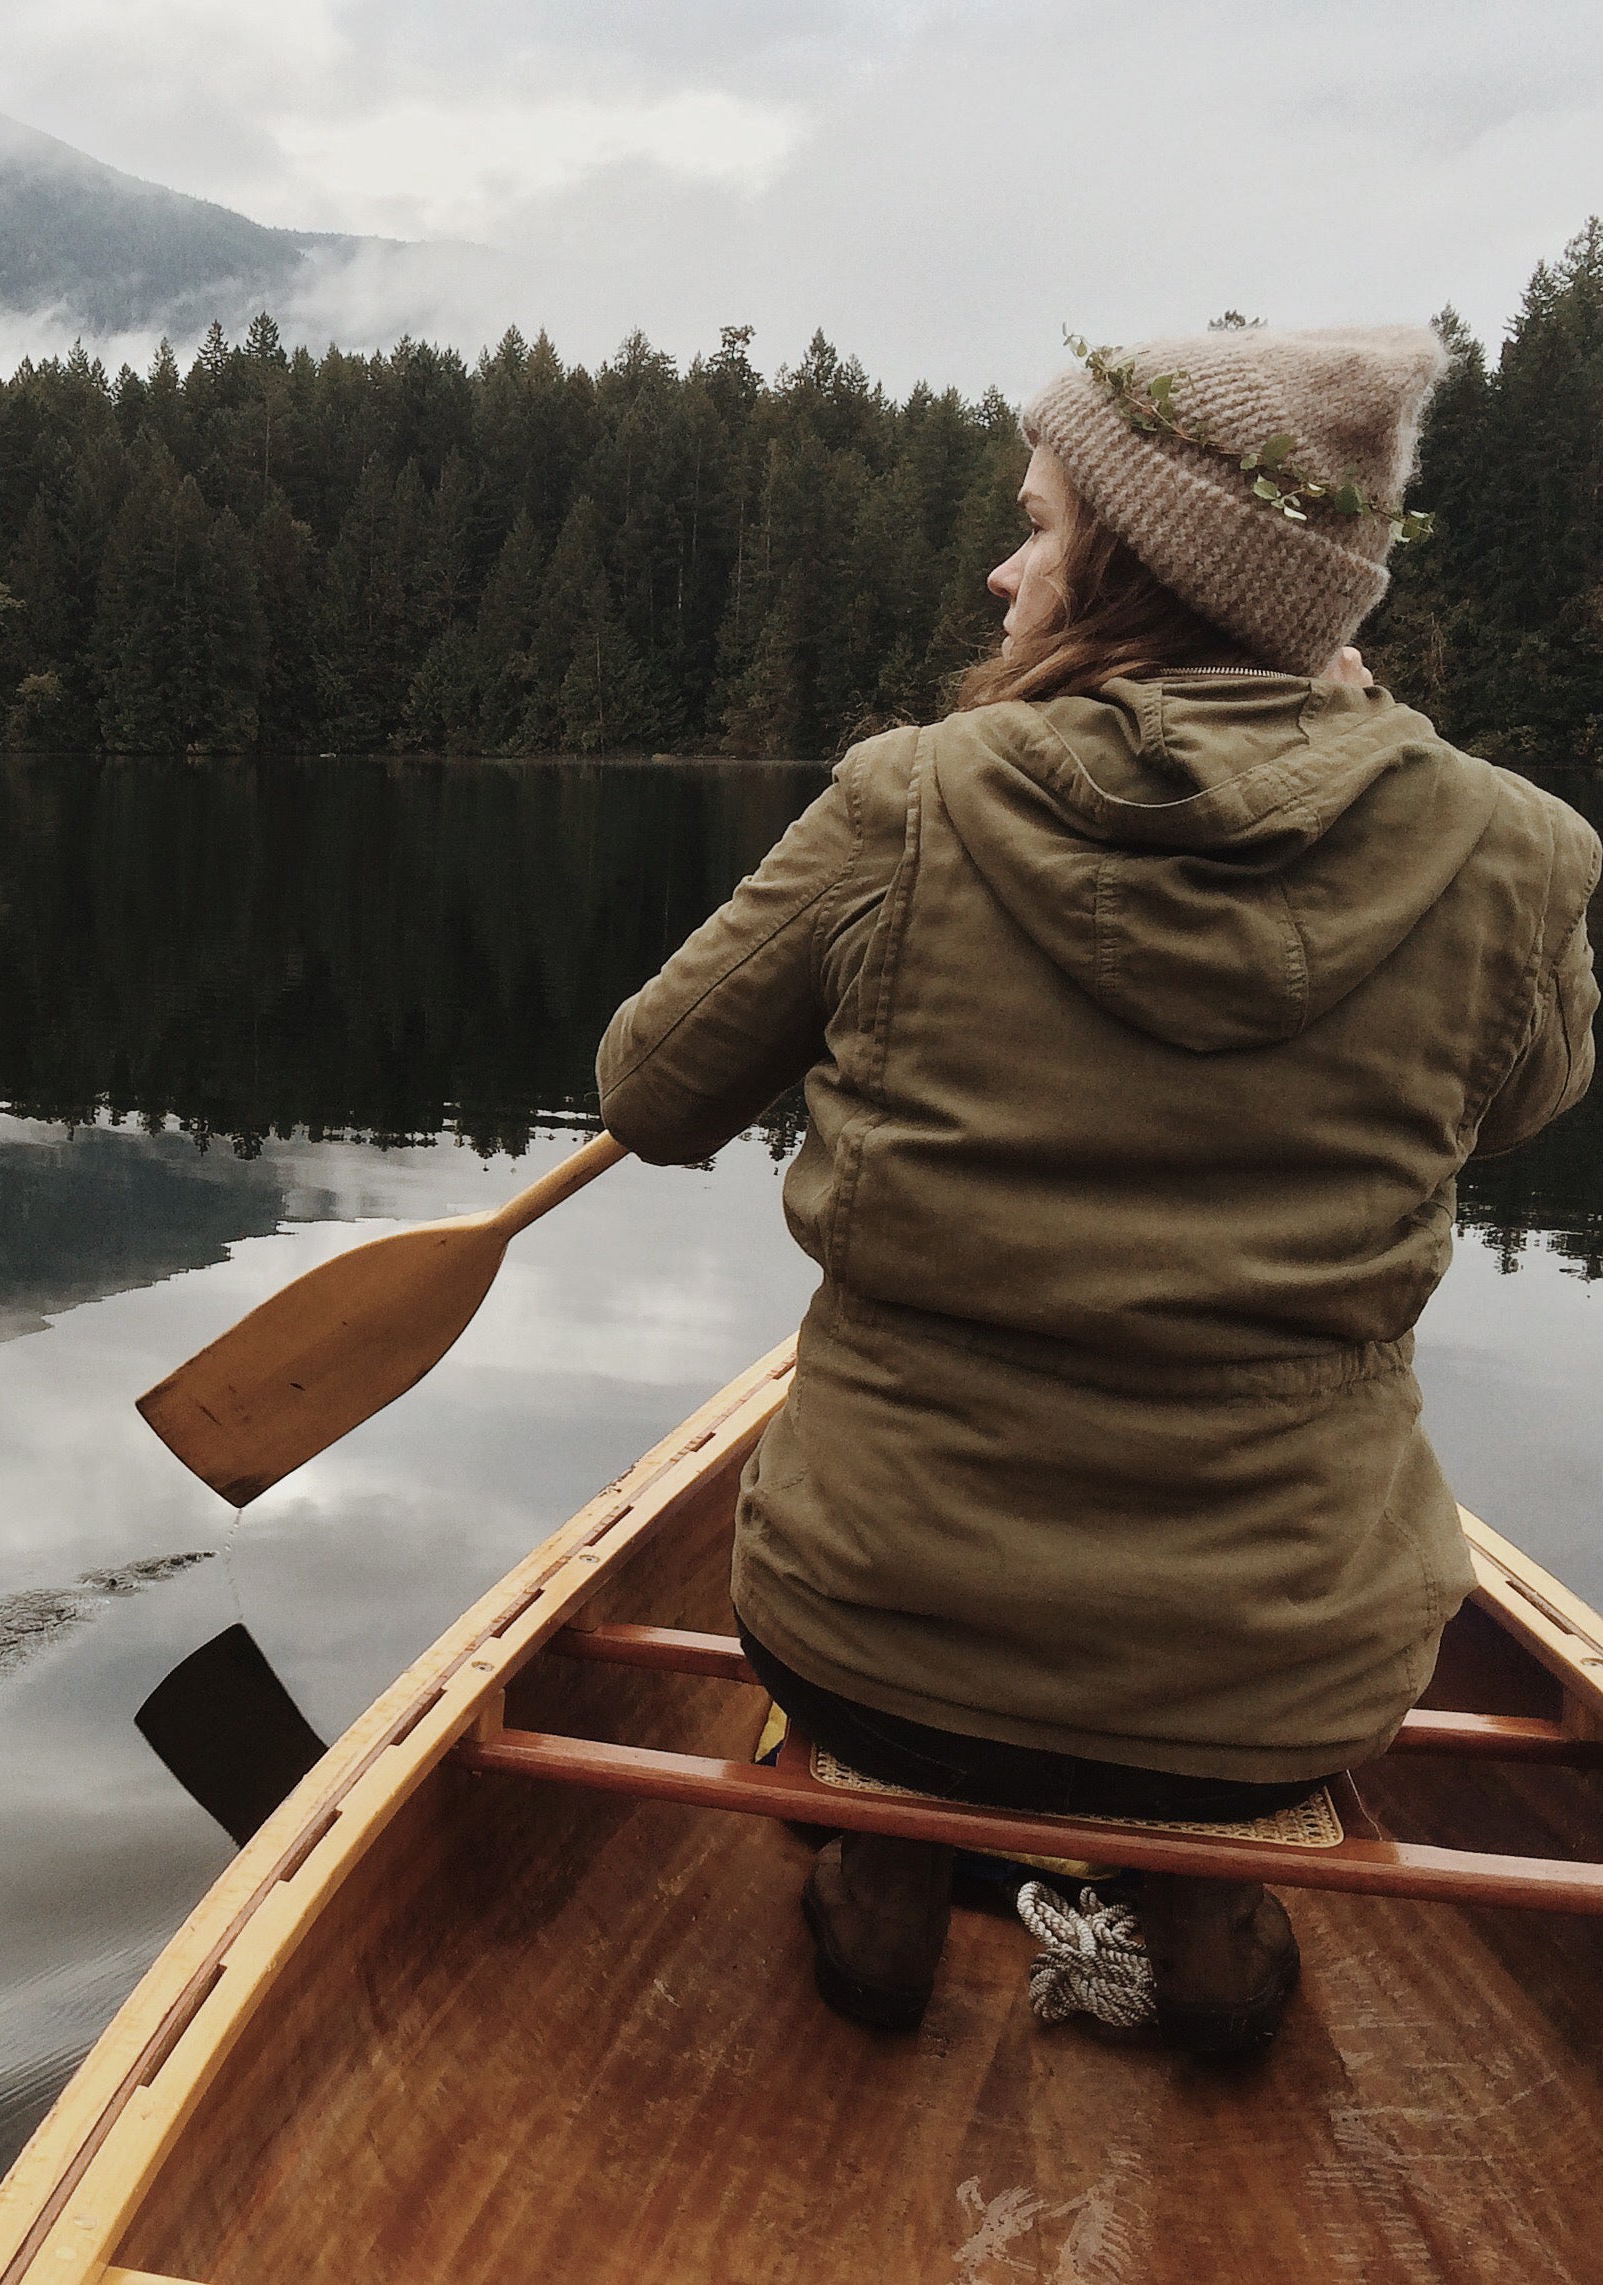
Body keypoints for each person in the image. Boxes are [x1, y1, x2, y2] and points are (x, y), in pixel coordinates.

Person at [594, 323, 1600, 2057]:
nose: (1003, 568)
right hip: (1292, 1670)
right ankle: (1209, 1916)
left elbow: (651, 1092)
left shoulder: (908, 801)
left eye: (1039, 526)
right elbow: (1520, 1104)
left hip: (870, 1621)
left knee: (900, 1690)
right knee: (1225, 1716)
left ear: (1137, 578)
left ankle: (883, 1886)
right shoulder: (1515, 852)